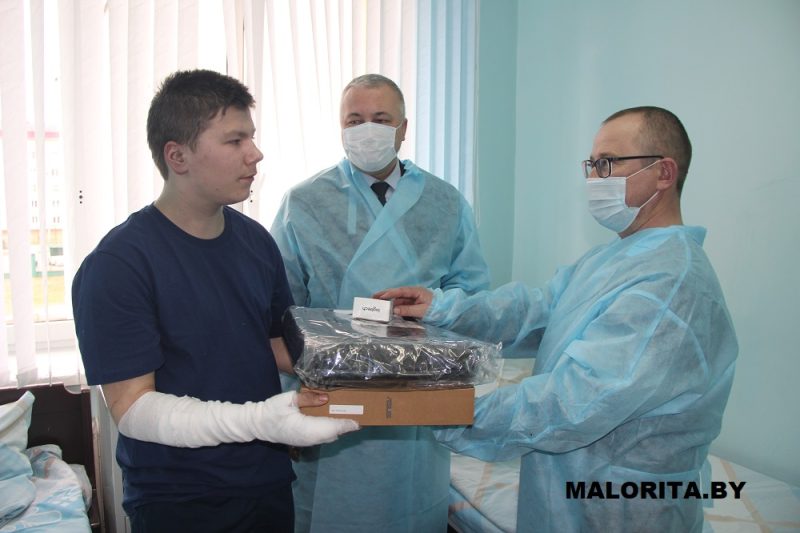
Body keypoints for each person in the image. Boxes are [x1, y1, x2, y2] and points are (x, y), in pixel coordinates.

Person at [377, 106, 738, 532]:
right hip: (569, 490)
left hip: (625, 509)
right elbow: (536, 312)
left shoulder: (671, 283)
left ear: (664, 173)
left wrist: (447, 409)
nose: (595, 178)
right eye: (592, 165)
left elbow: (571, 402)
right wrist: (443, 309)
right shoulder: (610, 259)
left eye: (608, 163)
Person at [72, 69, 358, 533]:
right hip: (180, 498)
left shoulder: (257, 242)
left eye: (252, 137)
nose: (255, 153)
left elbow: (276, 345)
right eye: (235, 140)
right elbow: (133, 409)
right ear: (177, 156)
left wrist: (377, 362)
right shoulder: (119, 264)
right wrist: (260, 421)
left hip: (265, 482)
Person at [270, 73, 491, 532]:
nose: (366, 129)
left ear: (403, 128)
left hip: (416, 393)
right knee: (335, 510)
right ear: (340, 128)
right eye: (355, 120)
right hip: (330, 391)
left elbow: (471, 295)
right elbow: (279, 313)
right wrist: (286, 402)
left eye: (381, 118)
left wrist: (432, 312)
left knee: (407, 507)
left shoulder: (445, 203)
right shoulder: (304, 202)